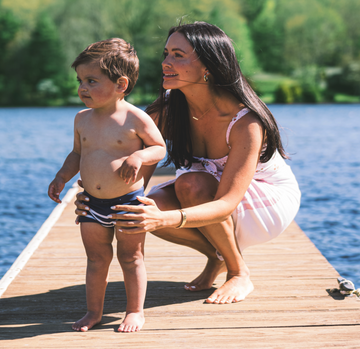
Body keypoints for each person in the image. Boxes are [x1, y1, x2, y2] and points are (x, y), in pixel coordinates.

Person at [75, 22, 301, 305]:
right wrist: (98, 199)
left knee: (190, 185)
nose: (165, 63)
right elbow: (132, 176)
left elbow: (227, 203)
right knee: (142, 209)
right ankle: (216, 256)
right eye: (166, 53)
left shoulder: (245, 122)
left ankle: (239, 271)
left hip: (265, 200)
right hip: (204, 188)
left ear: (208, 65)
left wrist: (165, 218)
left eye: (178, 55)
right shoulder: (167, 109)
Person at [48, 38, 166, 332]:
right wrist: (62, 176)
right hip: (92, 203)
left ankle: (135, 311)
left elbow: (160, 148)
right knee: (96, 259)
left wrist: (139, 155)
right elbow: (78, 154)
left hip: (127, 201)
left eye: (91, 80)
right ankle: (93, 312)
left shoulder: (134, 117)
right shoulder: (81, 119)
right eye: (80, 81)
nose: (82, 88)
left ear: (121, 84)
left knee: (131, 257)